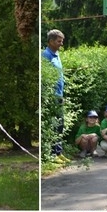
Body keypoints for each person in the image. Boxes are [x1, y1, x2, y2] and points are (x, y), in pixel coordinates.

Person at [42, 29, 67, 159]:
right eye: (59, 41)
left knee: (60, 125)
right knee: (53, 125)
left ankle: (58, 152)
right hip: (52, 97)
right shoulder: (45, 56)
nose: (61, 44)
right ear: (51, 41)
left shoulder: (57, 55)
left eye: (62, 41)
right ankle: (52, 155)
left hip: (59, 95)